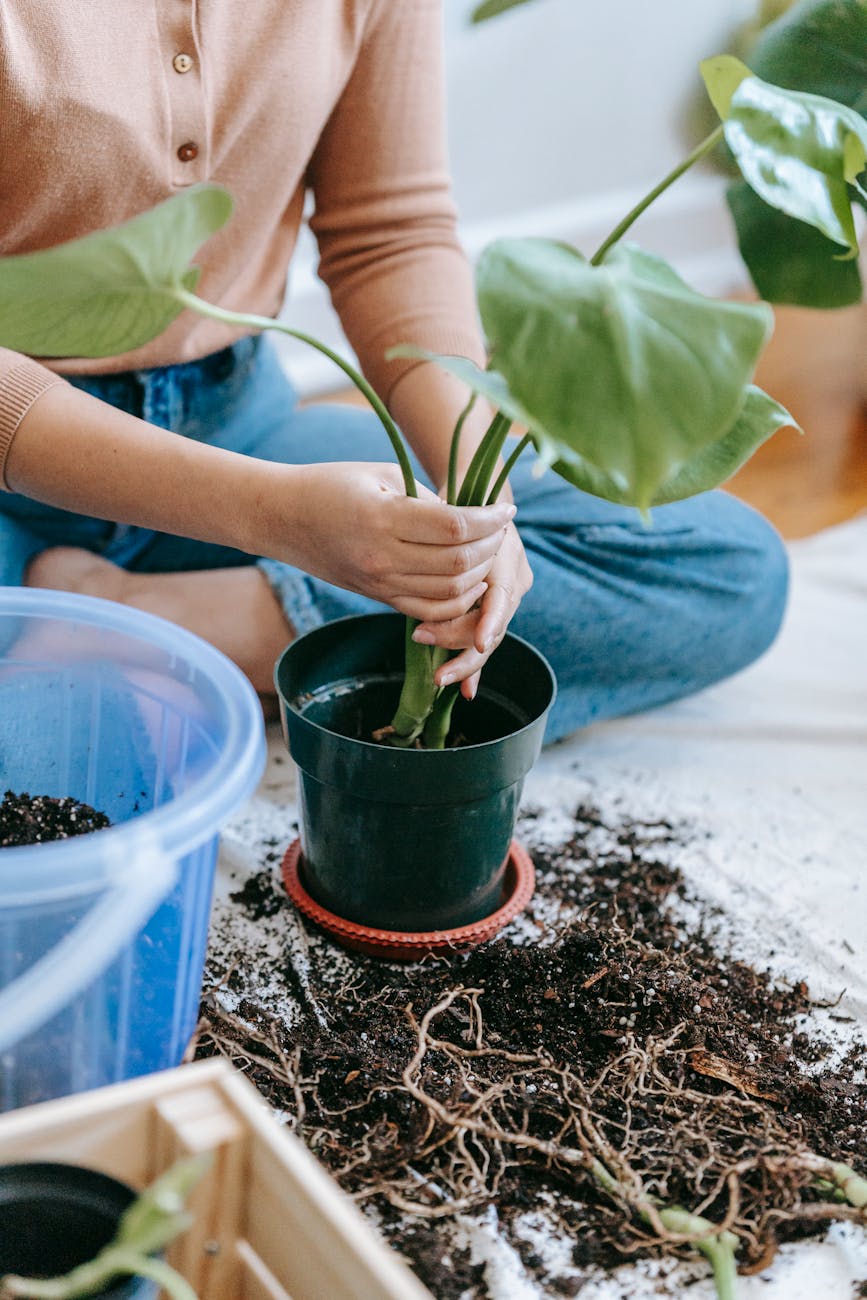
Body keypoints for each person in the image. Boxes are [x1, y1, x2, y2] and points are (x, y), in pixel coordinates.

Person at [0, 2, 788, 742]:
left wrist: (477, 508)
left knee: (725, 570)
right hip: (27, 471)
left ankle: (128, 622)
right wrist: (276, 517)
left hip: (235, 424)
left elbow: (389, 232)